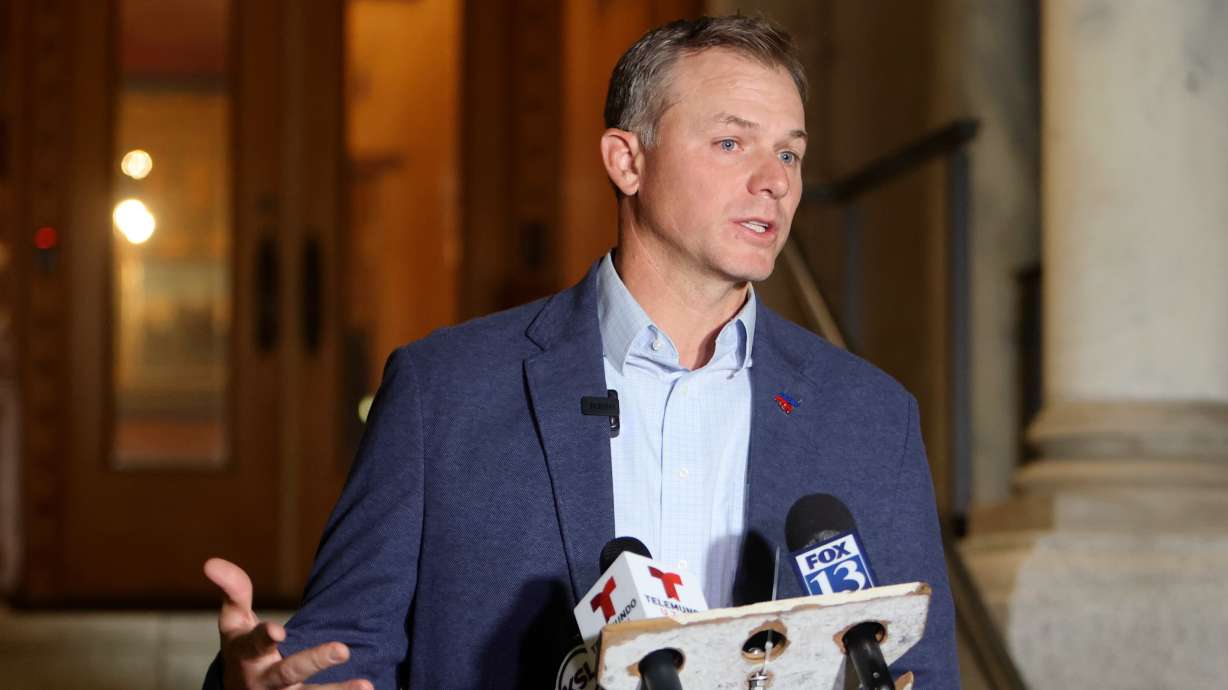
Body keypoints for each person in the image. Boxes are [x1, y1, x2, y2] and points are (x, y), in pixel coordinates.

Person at [203, 15, 959, 690]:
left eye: (790, 156)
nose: (773, 184)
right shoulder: (445, 393)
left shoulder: (870, 416)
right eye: (731, 143)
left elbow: (916, 671)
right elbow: (340, 656)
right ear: (627, 161)